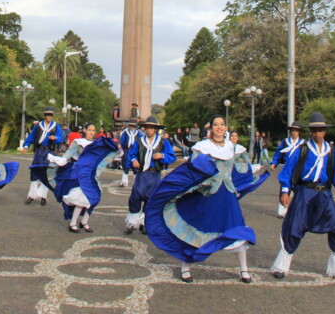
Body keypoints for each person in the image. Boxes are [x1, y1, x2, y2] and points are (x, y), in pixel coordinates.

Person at [146, 114, 269, 284]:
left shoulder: (232, 147)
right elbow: (194, 169)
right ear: (210, 128)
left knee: (236, 228)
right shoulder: (202, 147)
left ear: (225, 128)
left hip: (227, 195)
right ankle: (186, 266)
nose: (219, 127)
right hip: (207, 195)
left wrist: (248, 175)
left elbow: (240, 168)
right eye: (216, 124)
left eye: (222, 124)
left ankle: (244, 269)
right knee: (196, 229)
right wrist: (204, 181)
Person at [271, 112, 335, 281]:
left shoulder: (331, 151)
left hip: (324, 195)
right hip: (305, 193)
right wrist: (285, 191)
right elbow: (288, 171)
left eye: (319, 130)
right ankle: (281, 266)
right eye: (313, 130)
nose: (316, 133)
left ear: (324, 131)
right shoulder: (302, 149)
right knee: (294, 228)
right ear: (310, 131)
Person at [45, 122, 118, 232]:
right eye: (89, 130)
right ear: (84, 130)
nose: (91, 132)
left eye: (93, 130)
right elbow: (67, 156)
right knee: (82, 198)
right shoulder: (78, 142)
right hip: (81, 174)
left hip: (94, 175)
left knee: (95, 198)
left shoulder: (97, 143)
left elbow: (106, 156)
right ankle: (73, 223)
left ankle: (84, 221)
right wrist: (55, 160)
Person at [124, 116, 176, 234]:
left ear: (155, 129)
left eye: (151, 128)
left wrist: (162, 156)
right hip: (142, 173)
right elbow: (132, 154)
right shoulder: (140, 141)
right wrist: (134, 160)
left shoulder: (163, 142)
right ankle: (132, 223)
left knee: (151, 198)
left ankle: (144, 223)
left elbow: (171, 156)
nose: (149, 130)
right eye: (147, 127)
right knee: (135, 196)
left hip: (155, 174)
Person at [19, 106, 64, 206]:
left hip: (49, 152)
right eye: (47, 114)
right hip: (39, 151)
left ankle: (43, 196)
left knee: (46, 174)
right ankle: (31, 195)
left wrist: (55, 137)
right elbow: (31, 137)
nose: (49, 117)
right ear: (45, 115)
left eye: (51, 115)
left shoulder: (56, 126)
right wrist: (26, 146)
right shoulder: (39, 125)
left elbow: (61, 138)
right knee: (35, 172)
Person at [270, 120, 305, 218]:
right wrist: (274, 163)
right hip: (287, 167)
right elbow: (278, 153)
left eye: (296, 131)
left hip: (298, 168)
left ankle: (297, 210)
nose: (294, 132)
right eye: (293, 130)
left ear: (299, 132)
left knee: (299, 189)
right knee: (285, 188)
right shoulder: (285, 142)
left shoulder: (303, 143)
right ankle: (282, 210)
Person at [118, 120, 140, 187]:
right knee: (125, 165)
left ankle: (136, 182)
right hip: (127, 149)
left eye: (133, 126)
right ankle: (124, 182)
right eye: (130, 125)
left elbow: (141, 141)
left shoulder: (138, 133)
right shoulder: (125, 133)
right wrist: (121, 147)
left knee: (135, 166)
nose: (132, 127)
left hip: (135, 150)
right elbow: (121, 141)